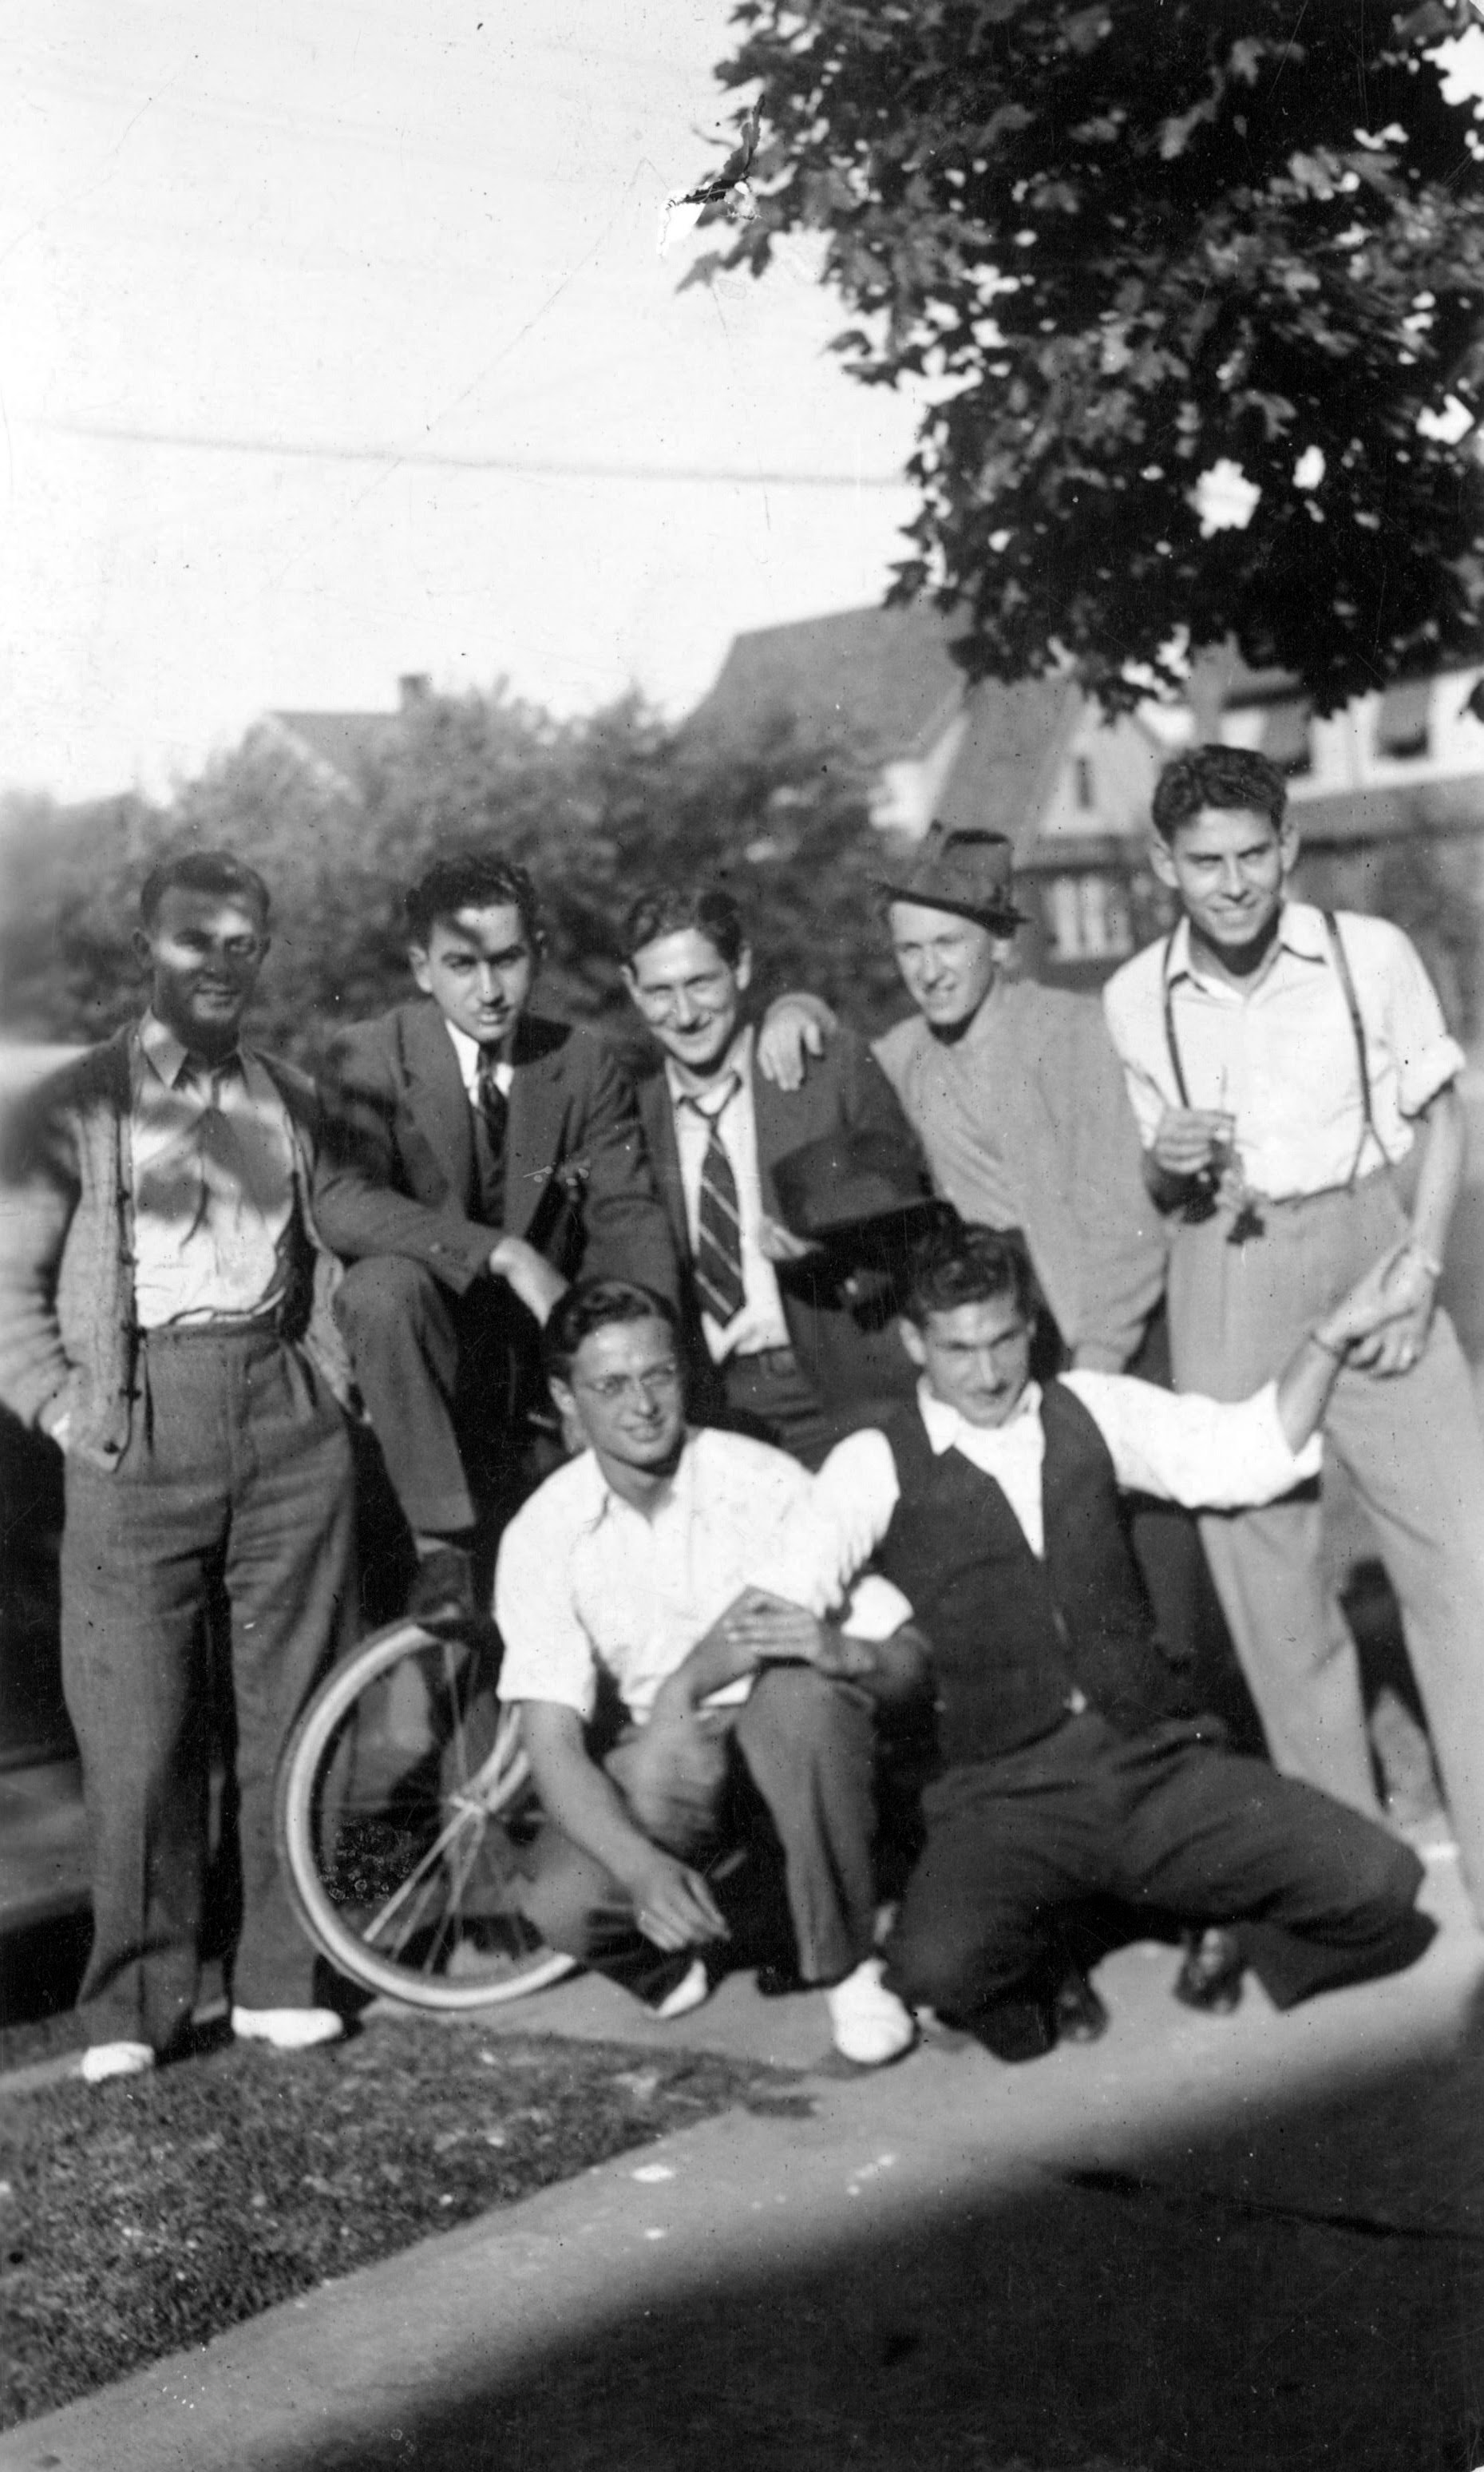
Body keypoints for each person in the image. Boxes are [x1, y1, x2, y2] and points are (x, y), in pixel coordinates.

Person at [789, 1224, 1435, 2052]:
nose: (985, 1374)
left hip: (1146, 1760)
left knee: (1380, 1888)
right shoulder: (872, 1461)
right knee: (937, 1972)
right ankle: (1053, 1953)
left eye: (1002, 1341)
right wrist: (693, 1691)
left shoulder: (1088, 1406)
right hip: (1004, 1792)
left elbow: (1245, 1450)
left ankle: (1220, 1920)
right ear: (914, 1341)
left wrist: (1331, 1335)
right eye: (957, 1349)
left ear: (1029, 1326)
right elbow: (786, 1586)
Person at [1103, 744, 1484, 1922]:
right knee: (1271, 1593)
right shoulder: (1132, 996)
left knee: (1460, 1565)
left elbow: (1440, 1114)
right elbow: (1162, 1191)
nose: (1229, 886)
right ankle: (1351, 1885)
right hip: (1225, 1268)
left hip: (1372, 1240)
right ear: (1164, 865)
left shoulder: (1364, 957)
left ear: (1288, 849)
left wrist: (1418, 1266)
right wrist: (1162, 1165)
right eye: (1202, 863)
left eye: (1250, 857)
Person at [0, 851, 358, 2082]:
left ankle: (278, 1978)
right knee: (138, 1736)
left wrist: (328, 1391)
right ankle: (135, 2009)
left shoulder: (292, 1098)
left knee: (293, 1717)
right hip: (136, 1421)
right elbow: (6, 1286)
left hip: (284, 1416)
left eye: (242, 940)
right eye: (194, 939)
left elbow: (330, 1264)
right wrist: (67, 1413)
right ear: (147, 949)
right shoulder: (78, 1105)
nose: (219, 962)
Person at [493, 1278, 930, 2066]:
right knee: (564, 1900)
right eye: (609, 1385)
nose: (641, 1406)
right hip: (666, 1754)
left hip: (782, 1729)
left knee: (798, 1701)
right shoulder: (543, 1531)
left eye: (658, 1376)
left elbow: (898, 1650)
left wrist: (847, 1658)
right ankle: (693, 1943)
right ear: (564, 1395)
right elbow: (550, 1742)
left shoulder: (757, 1478)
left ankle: (849, 1961)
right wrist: (641, 1867)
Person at [316, 850, 677, 1614]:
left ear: (536, 954)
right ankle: (441, 1544)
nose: (488, 990)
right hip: (429, 1377)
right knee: (379, 1288)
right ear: (421, 968)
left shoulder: (582, 1064)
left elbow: (628, 1221)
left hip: (540, 1370)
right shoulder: (369, 1054)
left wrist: (625, 1368)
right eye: (460, 964)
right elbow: (341, 1200)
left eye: (507, 960)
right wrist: (504, 1254)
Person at [622, 883, 932, 1467]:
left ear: (739, 968)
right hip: (706, 1412)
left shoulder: (827, 1070)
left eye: (700, 983)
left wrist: (830, 1254)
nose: (684, 1014)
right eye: (660, 992)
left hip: (840, 1394)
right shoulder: (626, 1118)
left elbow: (917, 1228)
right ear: (631, 990)